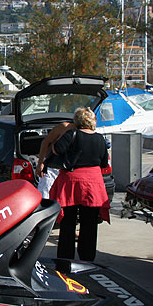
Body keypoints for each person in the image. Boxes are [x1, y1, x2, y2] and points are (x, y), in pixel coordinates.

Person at [49, 107, 110, 263]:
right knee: (89, 224)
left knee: (68, 223)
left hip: (72, 182)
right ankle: (87, 259)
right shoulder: (100, 139)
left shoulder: (72, 135)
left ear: (77, 121)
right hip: (93, 183)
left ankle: (65, 260)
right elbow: (104, 162)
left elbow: (56, 150)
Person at [35, 122, 74, 199]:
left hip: (68, 169)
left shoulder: (85, 132)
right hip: (52, 166)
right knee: (45, 194)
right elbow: (46, 142)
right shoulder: (64, 127)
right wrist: (41, 163)